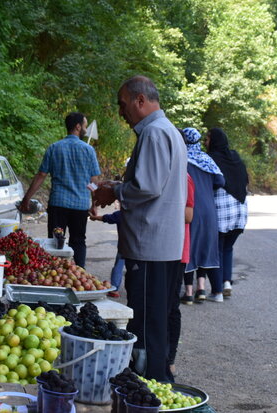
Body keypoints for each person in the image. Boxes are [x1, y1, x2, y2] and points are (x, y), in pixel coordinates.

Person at [92, 75, 187, 382]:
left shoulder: (155, 134)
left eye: (123, 105)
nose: (122, 112)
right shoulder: (167, 131)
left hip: (150, 247)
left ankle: (148, 387)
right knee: (154, 321)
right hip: (162, 246)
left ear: (140, 101)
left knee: (144, 325)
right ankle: (158, 383)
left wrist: (114, 191)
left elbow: (147, 186)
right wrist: (119, 186)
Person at [19, 112, 100, 268]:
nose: (85, 129)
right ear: (77, 126)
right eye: (84, 125)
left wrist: (27, 198)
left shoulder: (54, 148)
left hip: (58, 204)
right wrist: (94, 203)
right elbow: (94, 181)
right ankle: (79, 274)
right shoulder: (88, 150)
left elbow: (41, 175)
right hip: (80, 206)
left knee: (55, 241)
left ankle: (55, 273)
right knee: (78, 241)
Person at [182, 127, 225, 303]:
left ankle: (189, 292)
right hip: (209, 210)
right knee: (204, 247)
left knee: (189, 247)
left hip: (190, 208)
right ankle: (201, 288)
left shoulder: (182, 159)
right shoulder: (206, 159)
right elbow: (221, 181)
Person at [206, 127, 249, 298]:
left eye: (207, 139)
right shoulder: (235, 157)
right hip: (240, 209)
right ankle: (226, 282)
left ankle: (217, 292)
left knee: (216, 250)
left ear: (214, 141)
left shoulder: (211, 159)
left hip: (221, 210)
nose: (205, 142)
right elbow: (245, 179)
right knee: (228, 248)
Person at [167, 172, 194, 380]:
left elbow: (188, 216)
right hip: (157, 250)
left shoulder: (184, 178)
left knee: (170, 308)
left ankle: (170, 360)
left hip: (176, 251)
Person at [88, 210, 124, 298]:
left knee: (118, 266)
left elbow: (106, 218)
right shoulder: (142, 212)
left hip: (124, 246)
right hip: (140, 248)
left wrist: (94, 218)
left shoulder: (122, 214)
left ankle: (114, 290)